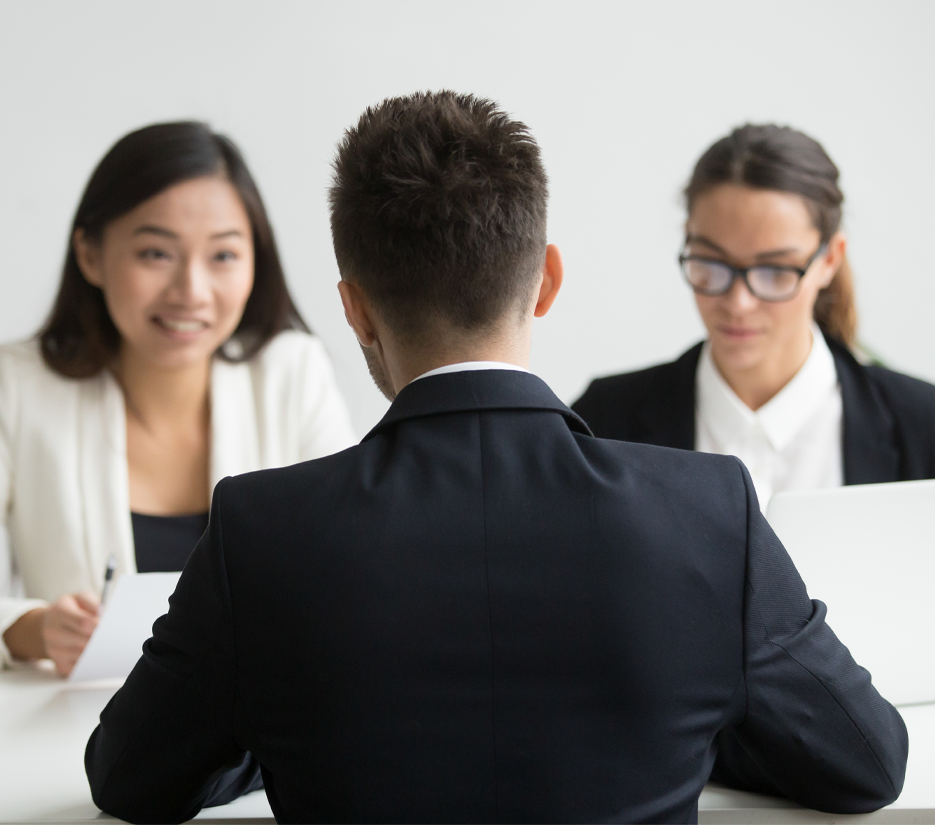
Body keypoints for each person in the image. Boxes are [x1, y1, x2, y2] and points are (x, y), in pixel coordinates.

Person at [85, 93, 907, 824]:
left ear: (355, 309)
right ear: (546, 280)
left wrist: (262, 725)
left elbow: (128, 779)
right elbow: (866, 764)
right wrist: (693, 713)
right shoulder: (707, 509)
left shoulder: (256, 529)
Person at [0, 122, 356, 676]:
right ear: (90, 254)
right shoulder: (16, 387)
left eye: (223, 256)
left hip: (262, 747)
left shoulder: (292, 373)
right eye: (155, 253)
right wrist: (35, 630)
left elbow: (355, 571)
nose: (191, 291)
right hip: (75, 740)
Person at [573, 124, 935, 508]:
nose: (739, 303)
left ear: (830, 259)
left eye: (776, 271)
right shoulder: (602, 424)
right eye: (711, 263)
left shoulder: (923, 426)